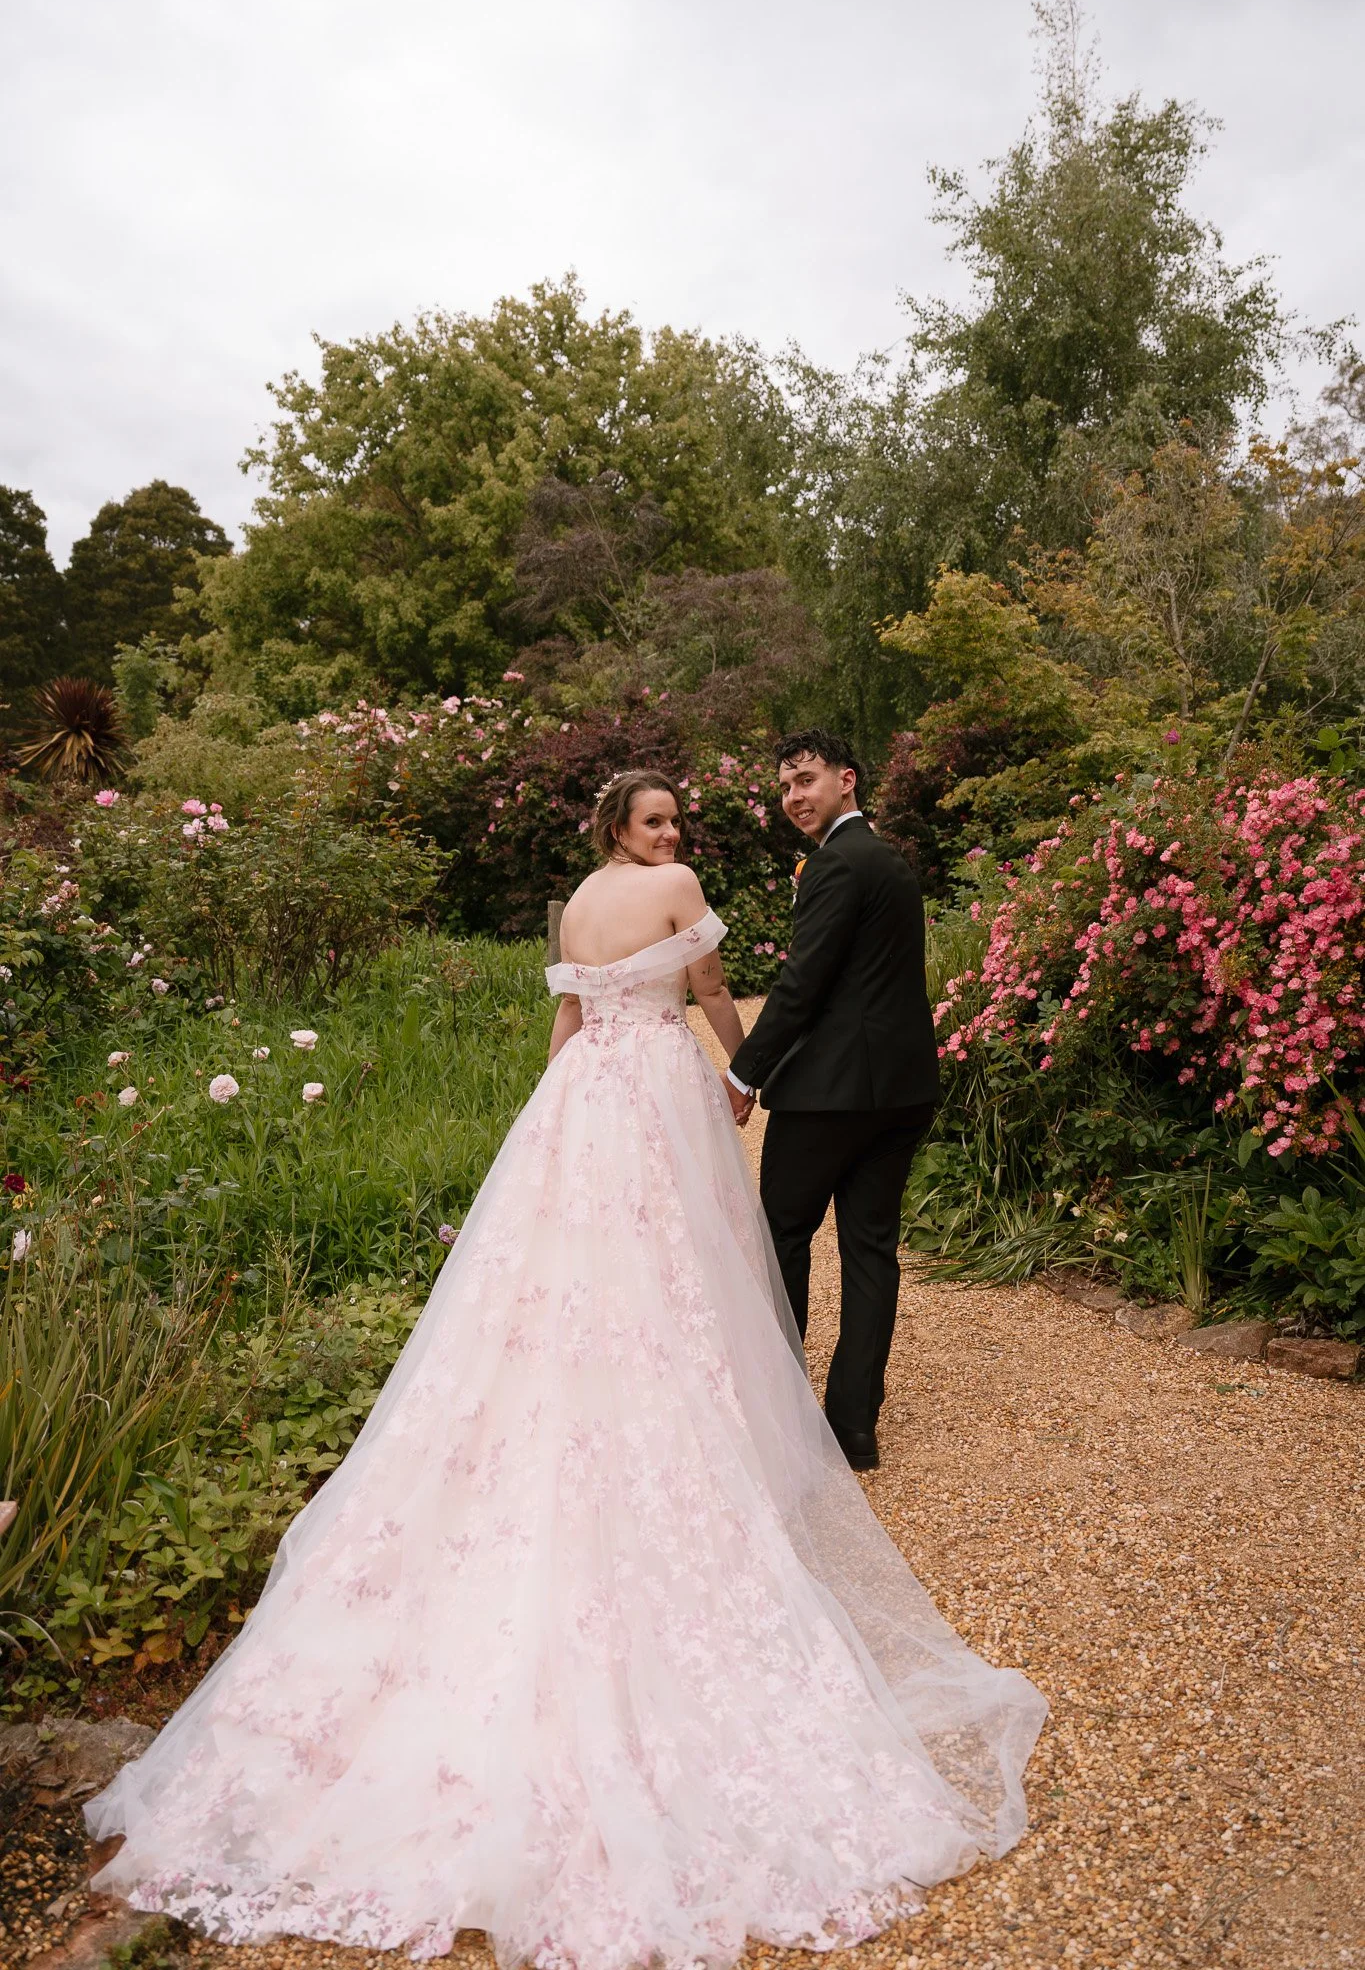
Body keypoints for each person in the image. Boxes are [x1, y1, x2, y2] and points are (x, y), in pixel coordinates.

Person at [88, 769, 1045, 1970]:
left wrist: (548, 1120)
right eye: (656, 821)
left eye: (676, 823)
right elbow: (705, 992)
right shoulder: (674, 890)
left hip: (582, 1097)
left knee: (575, 1277)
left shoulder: (575, 906)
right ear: (621, 829)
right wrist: (751, 1076)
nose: (673, 835)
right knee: (675, 1273)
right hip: (647, 1095)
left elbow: (565, 1030)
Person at [726, 730, 938, 1472]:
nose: (793, 798)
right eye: (784, 787)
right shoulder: (887, 861)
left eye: (805, 780)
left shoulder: (834, 864)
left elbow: (802, 983)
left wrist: (743, 1071)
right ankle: (853, 1426)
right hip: (901, 1091)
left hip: (827, 1095)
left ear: (846, 779)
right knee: (870, 1249)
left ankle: (781, 1415)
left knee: (781, 1233)